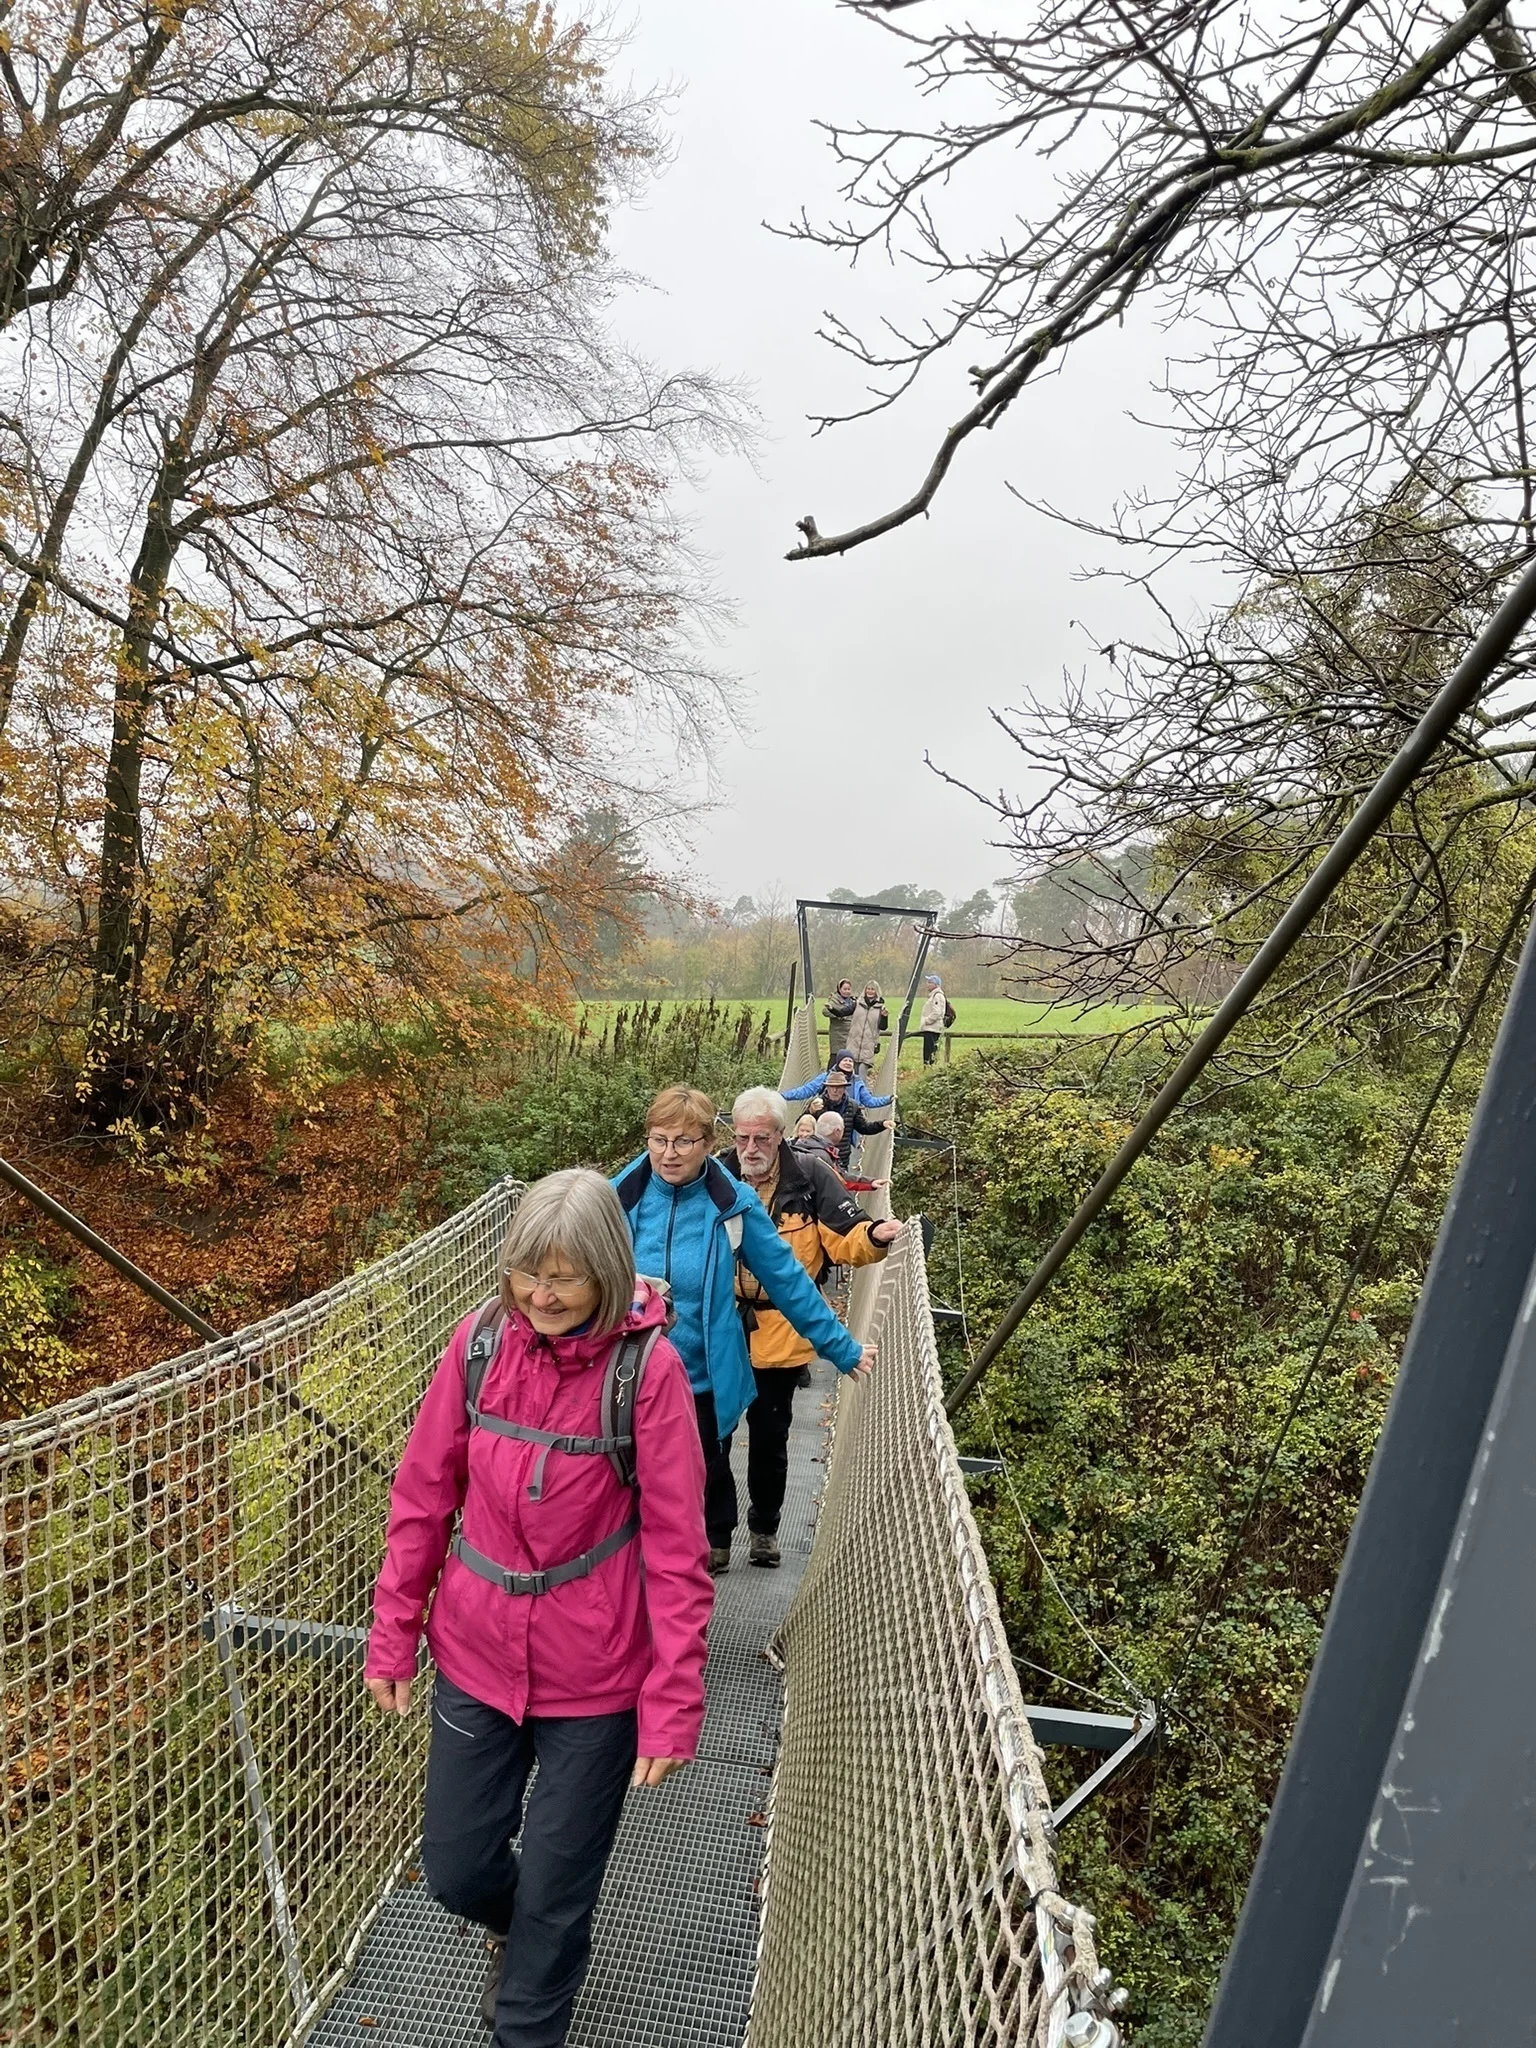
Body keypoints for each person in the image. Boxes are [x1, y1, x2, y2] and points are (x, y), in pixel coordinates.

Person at [363, 1169, 713, 2048]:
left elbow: (677, 1550)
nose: (542, 1296)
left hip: (595, 1675)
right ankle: (521, 1937)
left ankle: (529, 2001)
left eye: (565, 1278)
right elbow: (422, 1497)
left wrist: (672, 1703)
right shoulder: (479, 1344)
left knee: (558, 1893)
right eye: (528, 1273)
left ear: (608, 1271)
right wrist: (393, 1634)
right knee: (455, 1867)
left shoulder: (648, 1374)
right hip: (476, 1654)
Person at [612, 1084, 873, 1574]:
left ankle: (699, 1559)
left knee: (696, 1482)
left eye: (684, 1141)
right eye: (660, 1140)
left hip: (700, 1377)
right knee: (625, 1487)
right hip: (626, 1377)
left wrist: (842, 1349)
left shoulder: (732, 1203)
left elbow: (787, 1279)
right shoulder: (618, 1196)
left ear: (709, 1143)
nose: (669, 1154)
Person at [721, 1088, 902, 1566]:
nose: (751, 1148)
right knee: (712, 1439)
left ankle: (764, 1529)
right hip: (721, 1329)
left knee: (769, 1437)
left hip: (782, 1330)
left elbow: (846, 1237)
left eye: (762, 1138)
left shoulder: (809, 1177)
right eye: (742, 1138)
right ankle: (716, 1536)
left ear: (781, 1135)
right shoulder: (715, 1176)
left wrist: (874, 1236)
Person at [782, 1048, 892, 1110]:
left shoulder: (857, 1082)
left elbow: (869, 1101)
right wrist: (783, 1096)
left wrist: (888, 1099)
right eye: (845, 1060)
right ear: (838, 1062)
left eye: (850, 1061)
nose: (848, 1063)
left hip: (848, 1123)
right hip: (826, 1118)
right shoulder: (826, 1077)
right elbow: (806, 1090)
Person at [844, 980, 888, 1075]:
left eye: (872, 989)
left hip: (869, 1045)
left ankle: (862, 1085)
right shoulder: (857, 1004)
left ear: (876, 992)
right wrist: (832, 1009)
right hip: (854, 1043)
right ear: (865, 990)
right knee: (852, 1073)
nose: (870, 991)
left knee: (862, 1072)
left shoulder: (880, 1007)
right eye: (868, 989)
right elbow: (843, 1012)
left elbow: (883, 1027)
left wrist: (884, 1017)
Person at [823, 978, 857, 1057]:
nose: (847, 991)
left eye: (848, 989)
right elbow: (825, 1011)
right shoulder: (834, 1000)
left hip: (850, 1034)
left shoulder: (853, 1001)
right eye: (844, 989)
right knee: (836, 1057)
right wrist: (839, 1015)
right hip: (838, 1035)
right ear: (839, 989)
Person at [920, 972, 948, 1066]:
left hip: (932, 1029)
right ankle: (928, 1067)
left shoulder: (937, 996)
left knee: (930, 1053)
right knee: (929, 1052)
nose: (927, 984)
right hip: (931, 1028)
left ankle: (929, 1068)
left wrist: (927, 1021)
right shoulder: (934, 995)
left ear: (936, 985)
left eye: (930, 982)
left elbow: (936, 1012)